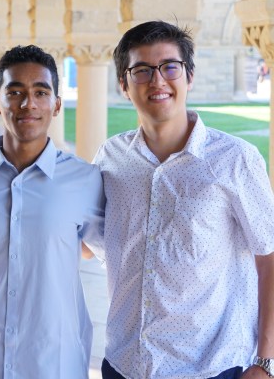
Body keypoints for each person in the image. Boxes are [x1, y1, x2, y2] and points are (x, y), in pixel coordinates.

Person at [94, 20, 274, 379]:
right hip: (124, 363)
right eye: (142, 70)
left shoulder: (235, 159)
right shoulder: (110, 158)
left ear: (189, 77)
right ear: (123, 85)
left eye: (169, 67)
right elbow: (96, 241)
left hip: (209, 368)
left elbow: (269, 257)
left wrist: (265, 361)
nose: (157, 80)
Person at [0, 45, 104, 378]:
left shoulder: (85, 180)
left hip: (55, 362)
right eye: (14, 92)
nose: (28, 104)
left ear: (57, 105)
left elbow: (108, 250)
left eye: (40, 92)